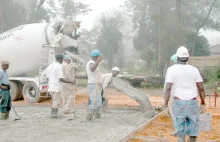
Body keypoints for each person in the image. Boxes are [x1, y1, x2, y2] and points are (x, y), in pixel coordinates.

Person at [164, 46, 206, 142]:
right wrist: (203, 103)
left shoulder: (171, 70)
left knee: (180, 132)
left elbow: (168, 88)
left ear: (177, 57)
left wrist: (165, 105)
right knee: (193, 132)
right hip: (192, 103)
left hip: (178, 103)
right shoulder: (194, 70)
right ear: (188, 57)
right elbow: (201, 88)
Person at [47, 54, 75, 118]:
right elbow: (61, 79)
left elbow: (47, 78)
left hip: (50, 86)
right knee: (56, 102)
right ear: (61, 59)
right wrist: (71, 81)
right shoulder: (58, 66)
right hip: (56, 86)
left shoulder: (50, 66)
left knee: (54, 101)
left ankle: (54, 114)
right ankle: (54, 115)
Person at [86, 49, 102, 121]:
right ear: (96, 57)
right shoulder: (91, 62)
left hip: (95, 84)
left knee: (97, 101)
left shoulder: (93, 63)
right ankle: (88, 116)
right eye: (98, 57)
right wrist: (98, 61)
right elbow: (92, 69)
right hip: (93, 84)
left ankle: (92, 116)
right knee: (95, 101)